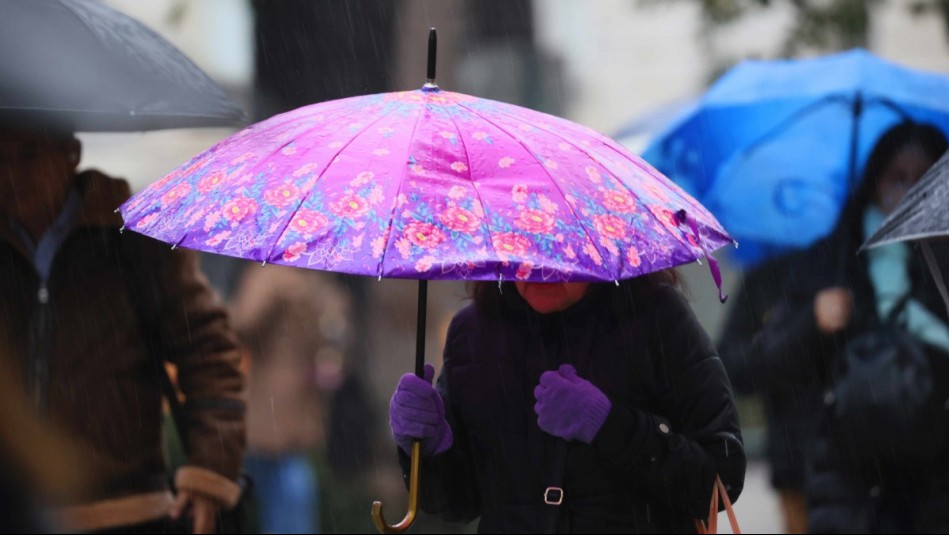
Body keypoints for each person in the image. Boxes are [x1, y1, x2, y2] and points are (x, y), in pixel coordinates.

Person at [0, 123, 246, 534]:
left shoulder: (134, 239)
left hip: (126, 512)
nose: (11, 172)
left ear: (71, 154)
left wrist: (210, 471)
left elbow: (208, 350)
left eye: (28, 154)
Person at [388, 272, 746, 533]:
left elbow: (719, 482)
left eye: (554, 249)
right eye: (522, 248)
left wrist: (611, 426)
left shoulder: (657, 317)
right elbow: (458, 503)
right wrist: (428, 449)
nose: (539, 270)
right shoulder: (474, 333)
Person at [748, 121, 949, 533]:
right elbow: (764, 363)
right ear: (874, 181)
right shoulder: (833, 258)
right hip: (849, 482)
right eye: (897, 177)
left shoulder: (942, 263)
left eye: (922, 178)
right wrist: (813, 323)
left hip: (935, 477)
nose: (908, 191)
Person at [229, 263, 352, 534]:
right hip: (286, 408)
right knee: (283, 485)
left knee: (282, 487)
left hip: (273, 407)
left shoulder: (272, 278)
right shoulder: (322, 283)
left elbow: (242, 324)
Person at [717, 252, 822, 534]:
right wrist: (807, 324)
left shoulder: (850, 265)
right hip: (793, 456)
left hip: (863, 452)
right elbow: (733, 365)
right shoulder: (765, 280)